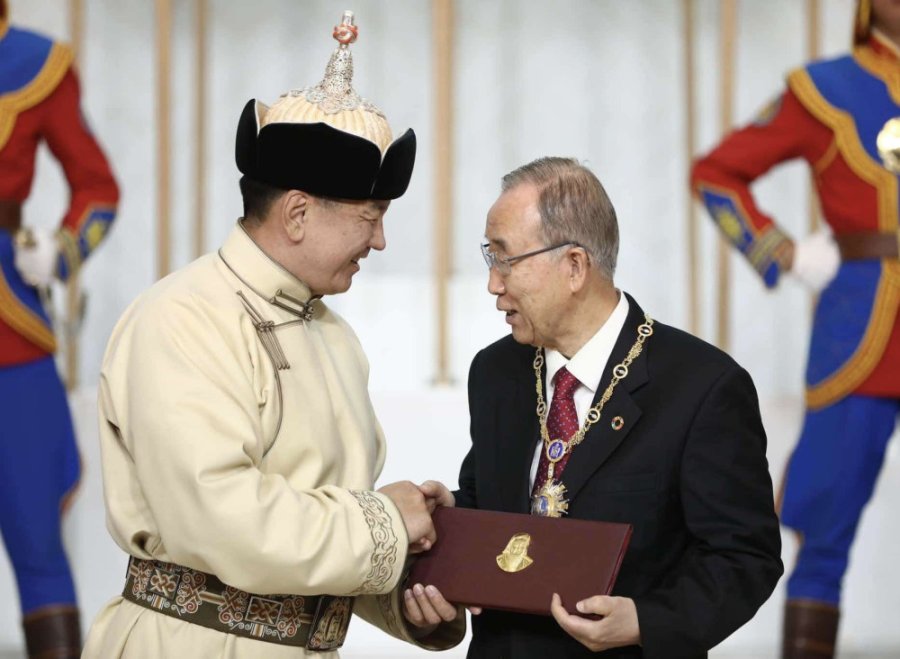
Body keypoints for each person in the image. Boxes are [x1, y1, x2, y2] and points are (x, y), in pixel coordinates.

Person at [82, 12, 463, 658]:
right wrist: (385, 523)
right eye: (370, 218)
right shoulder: (181, 318)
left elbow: (316, 543)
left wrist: (410, 588)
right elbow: (226, 519)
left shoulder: (335, 337)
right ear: (296, 212)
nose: (379, 240)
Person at [402, 158, 783, 658]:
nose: (494, 284)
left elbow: (744, 557)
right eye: (488, 258)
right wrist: (449, 527)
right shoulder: (495, 372)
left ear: (575, 266)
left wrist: (648, 620)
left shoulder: (703, 386)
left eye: (505, 259)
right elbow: (501, 504)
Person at [690, 1, 900, 655]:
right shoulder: (827, 89)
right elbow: (715, 173)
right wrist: (780, 249)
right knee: (825, 520)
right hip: (863, 335)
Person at [0, 2, 119, 656]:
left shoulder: (37, 66)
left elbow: (98, 189)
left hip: (10, 331)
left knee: (35, 527)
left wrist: (62, 250)